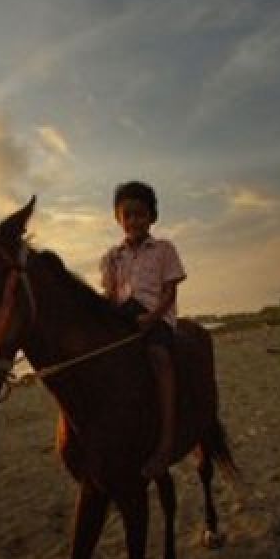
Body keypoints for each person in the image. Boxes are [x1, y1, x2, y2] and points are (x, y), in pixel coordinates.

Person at [99, 181, 186, 480]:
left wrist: (153, 318)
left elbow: (170, 292)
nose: (134, 220)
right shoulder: (112, 257)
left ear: (152, 217)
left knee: (159, 356)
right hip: (123, 317)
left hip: (156, 317)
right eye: (128, 215)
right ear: (118, 219)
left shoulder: (164, 249)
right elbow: (110, 296)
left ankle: (166, 441)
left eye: (140, 214)